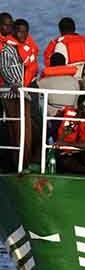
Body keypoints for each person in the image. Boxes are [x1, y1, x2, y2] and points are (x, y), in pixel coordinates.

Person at [0, 31, 30, 171]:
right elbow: (4, 69)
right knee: (15, 131)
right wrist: (14, 83)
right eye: (19, 31)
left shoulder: (23, 50)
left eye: (25, 32)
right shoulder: (7, 51)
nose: (22, 34)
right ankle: (16, 163)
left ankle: (24, 162)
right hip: (12, 96)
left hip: (25, 95)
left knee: (25, 132)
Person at [37, 54, 81, 118]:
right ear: (65, 64)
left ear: (50, 64)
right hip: (70, 115)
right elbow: (75, 104)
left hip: (51, 116)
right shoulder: (75, 81)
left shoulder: (42, 82)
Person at [6, 19, 39, 86]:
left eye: (25, 32)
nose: (23, 34)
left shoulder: (29, 41)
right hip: (18, 84)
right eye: (20, 32)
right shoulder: (10, 47)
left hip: (32, 80)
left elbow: (36, 51)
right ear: (14, 31)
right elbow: (26, 61)